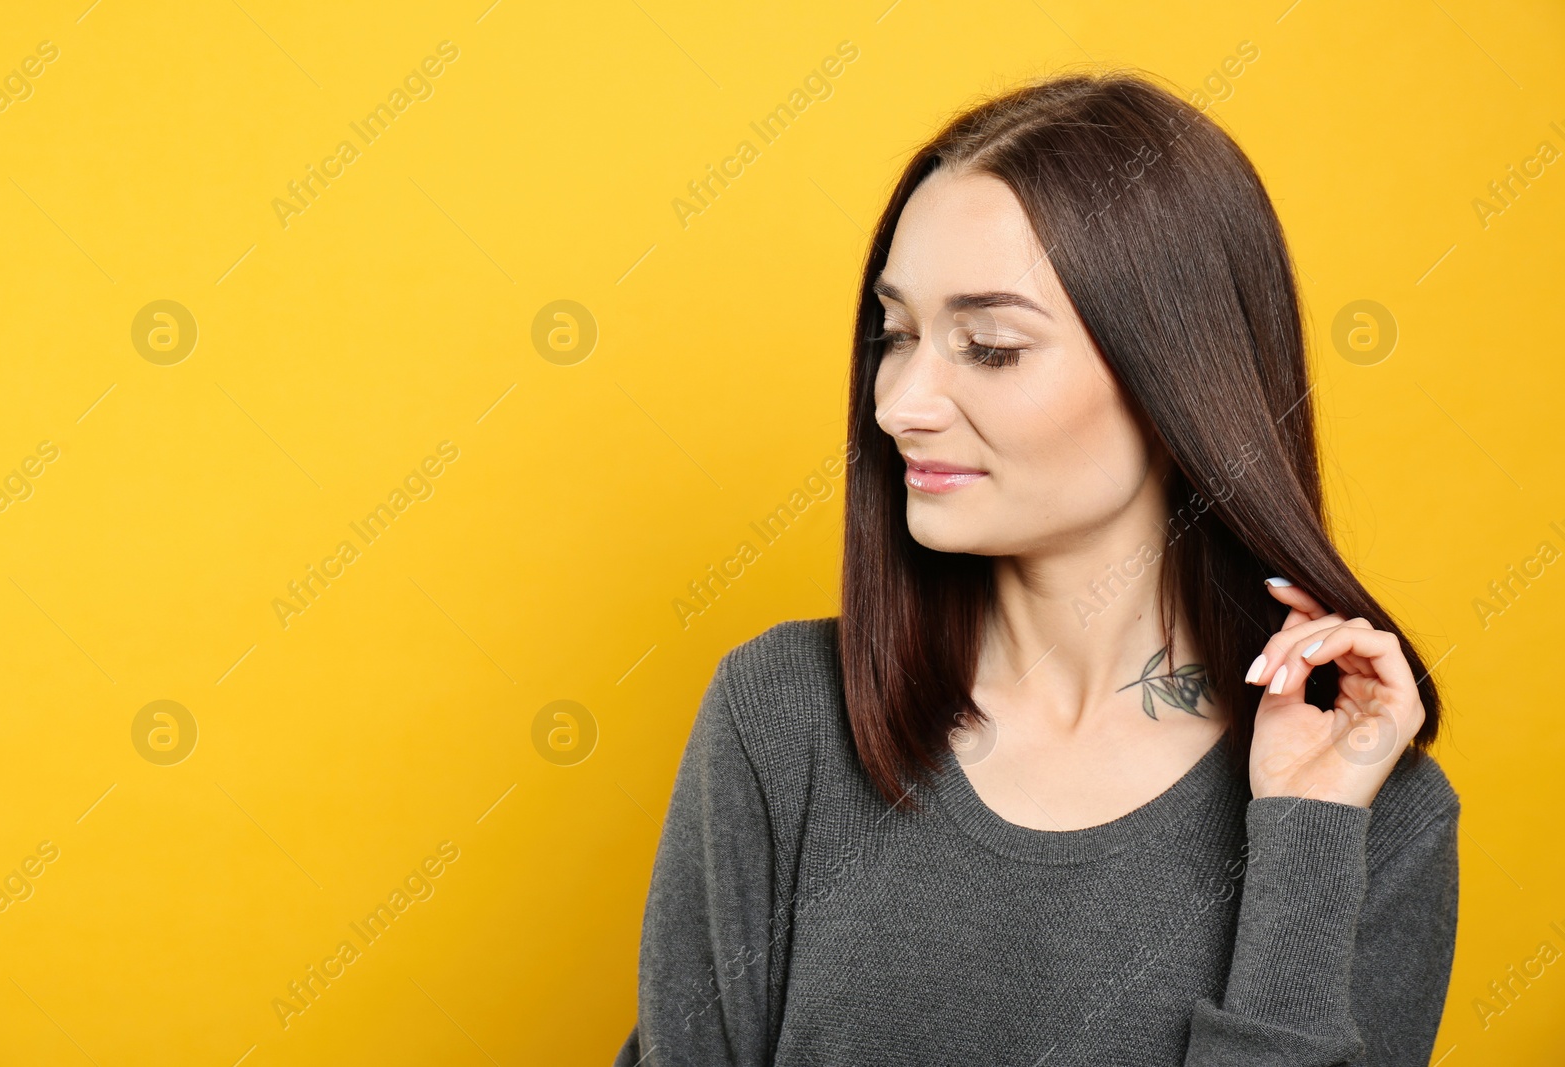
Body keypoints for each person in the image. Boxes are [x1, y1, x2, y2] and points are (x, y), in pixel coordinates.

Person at [615, 69, 1459, 1065]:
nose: (899, 404)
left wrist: (1305, 832)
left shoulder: (1370, 810)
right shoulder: (780, 717)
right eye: (895, 335)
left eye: (991, 347)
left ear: (1173, 376)